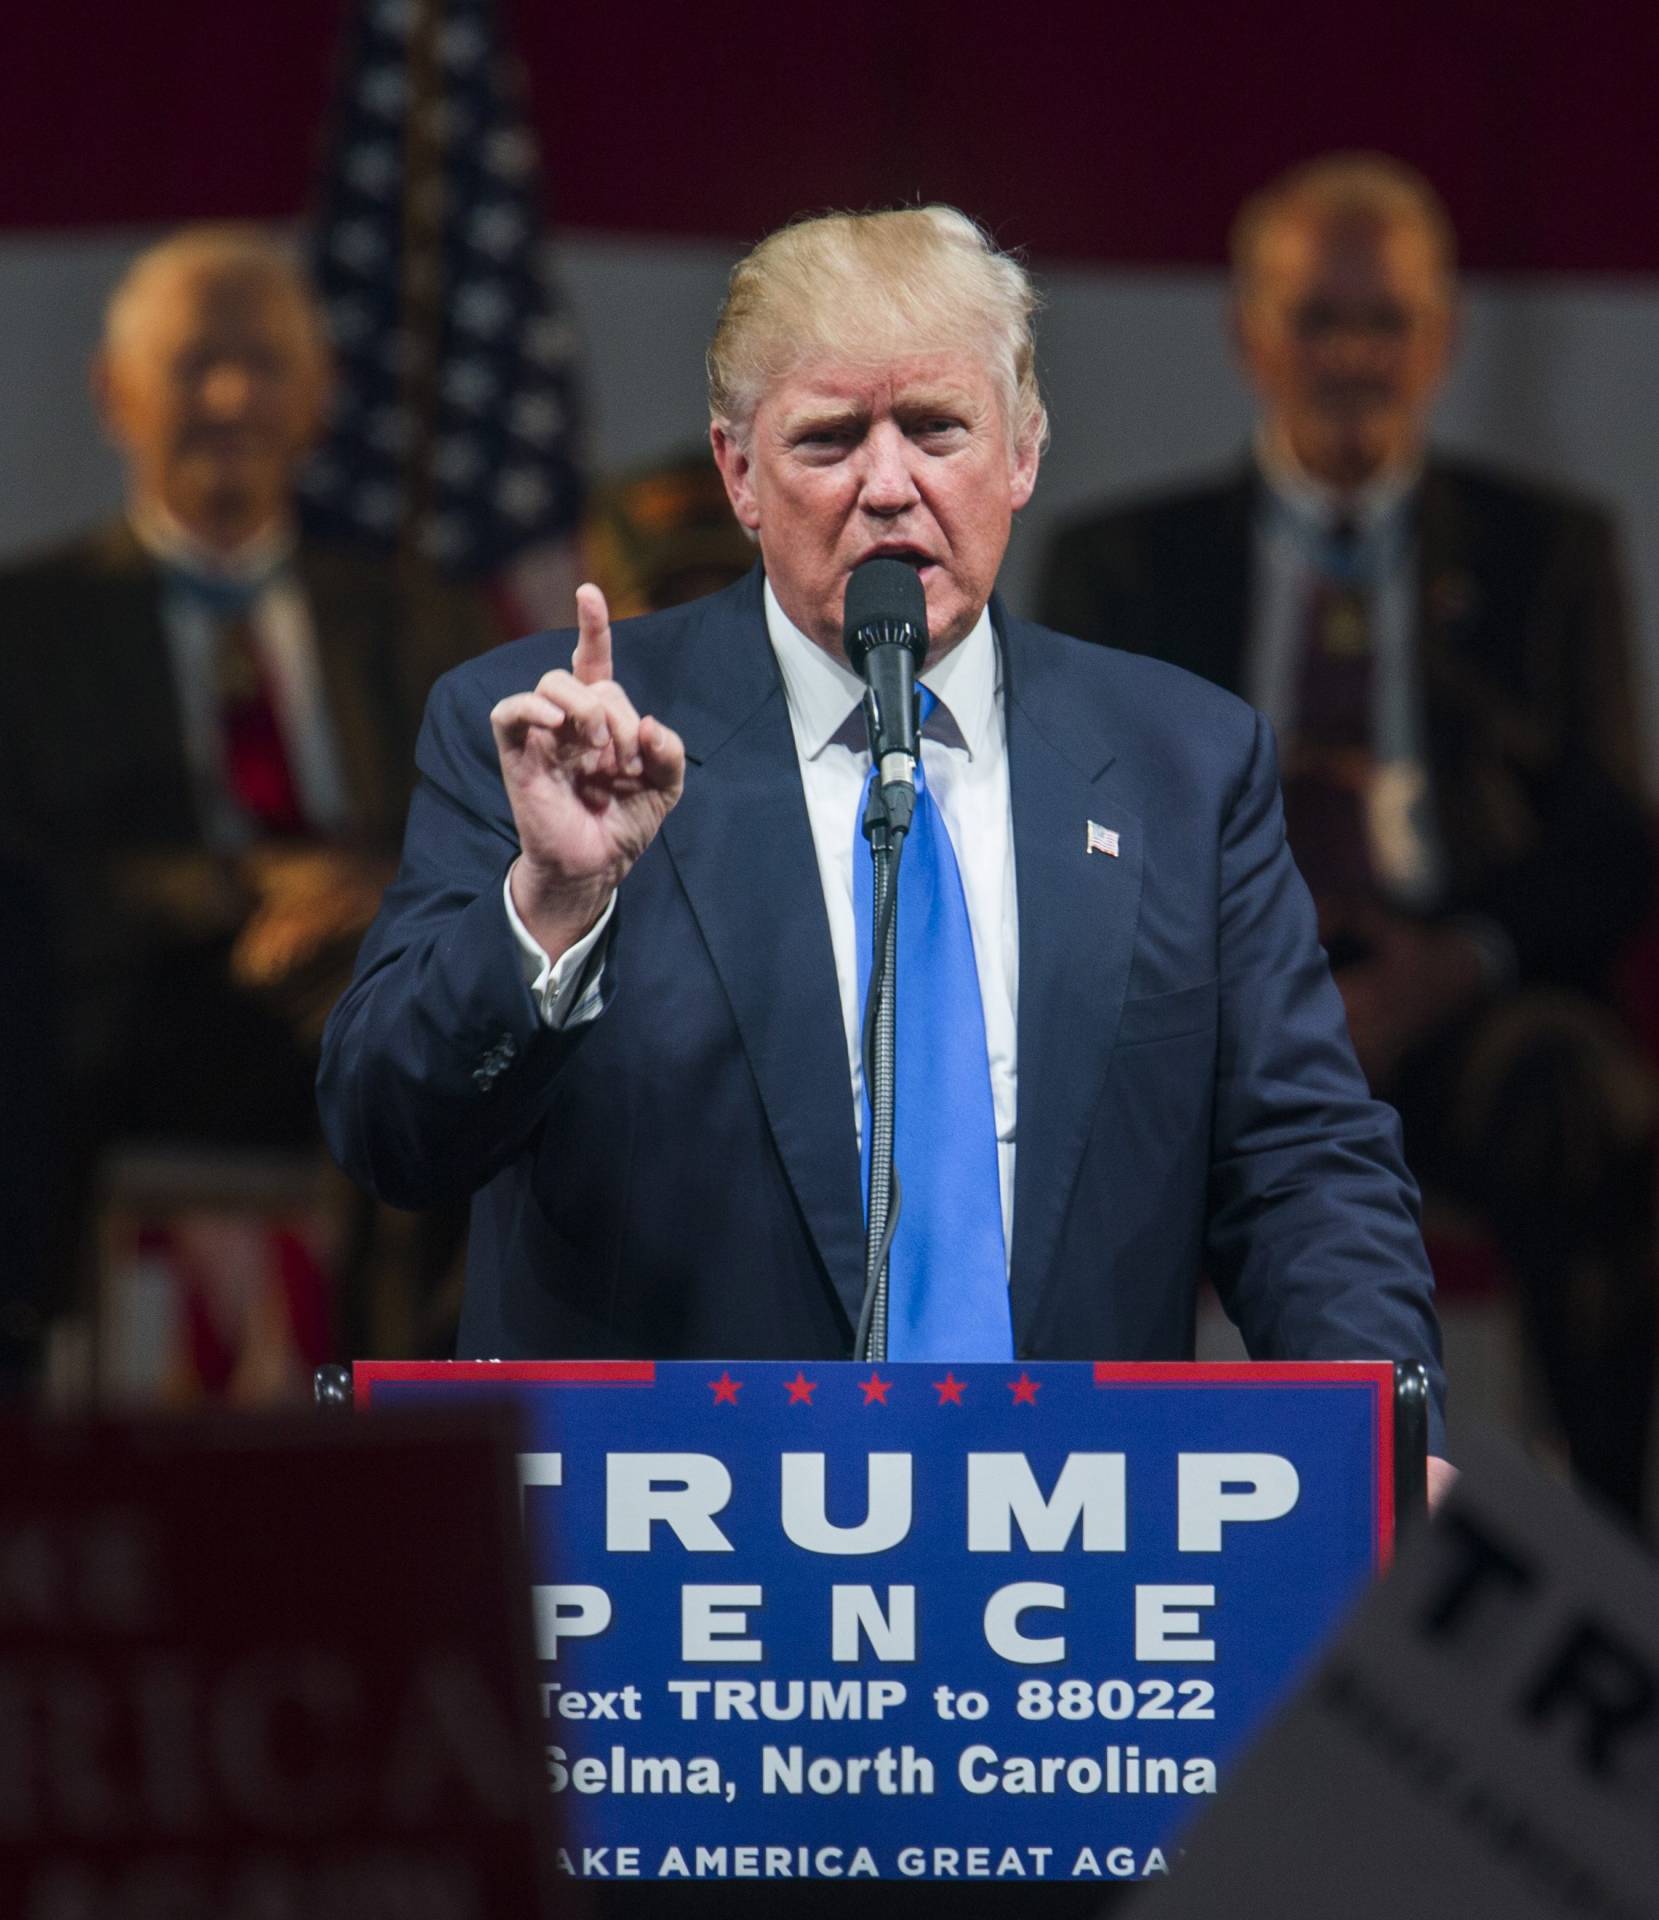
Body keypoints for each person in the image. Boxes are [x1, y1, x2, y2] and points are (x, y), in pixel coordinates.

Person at [319, 204, 1452, 1483]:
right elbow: (389, 1138)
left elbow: (1300, 1166)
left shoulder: (1183, 763)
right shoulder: (552, 736)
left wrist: (1381, 1437)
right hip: (674, 1546)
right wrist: (554, 902)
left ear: (1022, 451)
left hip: (1066, 1539)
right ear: (738, 473)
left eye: (936, 428)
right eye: (828, 438)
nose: (889, 483)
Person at [1039, 156, 1655, 1523]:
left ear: (1439, 342)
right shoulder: (1120, 564)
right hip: (1199, 1016)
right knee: (1047, 1104)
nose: (1353, 359)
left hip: (1457, 1016)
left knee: (1577, 1083)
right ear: (1247, 334)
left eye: (1385, 324)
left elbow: (1611, 846)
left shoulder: (1542, 553)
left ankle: (1602, 1550)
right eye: (1320, 320)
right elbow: (1057, 839)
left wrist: (1455, 959)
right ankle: (1071, 1523)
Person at [0, 225, 496, 1383]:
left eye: (263, 364)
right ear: (113, 393)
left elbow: (491, 825)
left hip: (371, 975)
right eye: (191, 363)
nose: (228, 396)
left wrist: (365, 893)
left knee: (473, 1019)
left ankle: (432, 1414)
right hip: (127, 1017)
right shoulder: (28, 629)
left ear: (318, 397)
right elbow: (24, 872)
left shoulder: (423, 621)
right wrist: (241, 889)